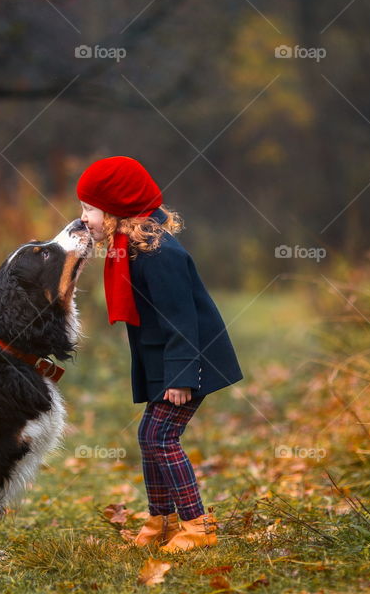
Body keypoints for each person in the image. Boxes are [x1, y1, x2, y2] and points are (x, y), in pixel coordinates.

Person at [76, 155, 244, 553]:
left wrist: (182, 376)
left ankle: (197, 525)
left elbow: (182, 319)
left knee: (160, 436)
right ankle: (162, 519)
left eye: (88, 208)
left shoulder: (158, 254)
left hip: (189, 363)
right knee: (149, 436)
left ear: (116, 209)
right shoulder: (130, 247)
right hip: (165, 363)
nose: (83, 217)